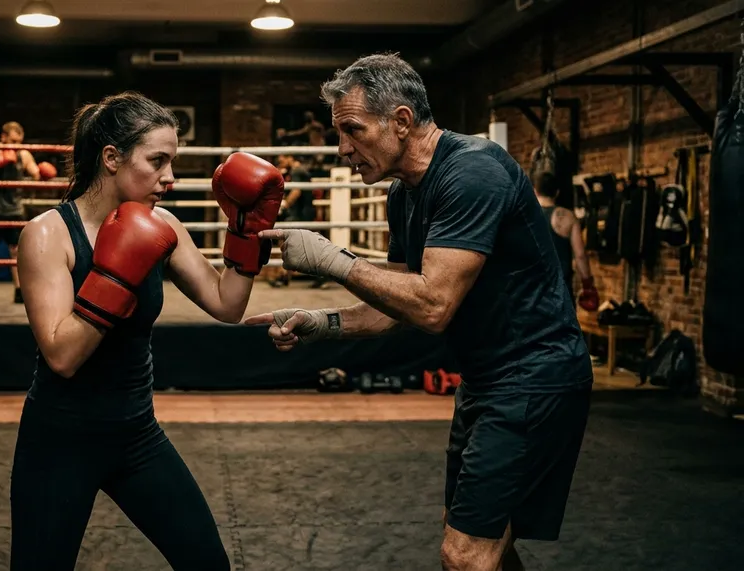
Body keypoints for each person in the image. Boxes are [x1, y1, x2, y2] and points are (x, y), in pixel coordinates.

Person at [246, 53, 594, 571]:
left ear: (402, 121)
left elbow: (432, 306)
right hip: (485, 380)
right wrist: (320, 323)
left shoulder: (473, 172)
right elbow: (396, 306)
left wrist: (332, 260)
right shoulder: (402, 195)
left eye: (353, 130)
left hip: (533, 377)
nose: (343, 149)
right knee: (485, 546)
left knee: (466, 554)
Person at [11, 91, 284, 570]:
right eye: (157, 161)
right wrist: (117, 274)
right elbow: (62, 356)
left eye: (172, 162)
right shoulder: (47, 234)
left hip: (137, 434)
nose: (170, 178)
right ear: (112, 158)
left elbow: (227, 305)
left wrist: (245, 233)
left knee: (207, 562)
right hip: (60, 440)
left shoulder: (165, 226)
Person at [0, 121, 54, 305]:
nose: (16, 146)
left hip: (14, 208)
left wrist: (41, 173)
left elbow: (34, 173)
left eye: (19, 142)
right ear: (3, 137)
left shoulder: (22, 154)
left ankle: (18, 290)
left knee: (16, 250)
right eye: (13, 141)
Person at [532, 171, 600, 311]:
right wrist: (588, 285)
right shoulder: (568, 217)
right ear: (557, 192)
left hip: (530, 295)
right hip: (559, 294)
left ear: (535, 191)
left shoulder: (521, 216)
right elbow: (580, 255)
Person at [269, 153, 325, 289]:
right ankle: (284, 276)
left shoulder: (297, 171)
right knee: (292, 244)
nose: (281, 163)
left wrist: (284, 205)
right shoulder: (301, 171)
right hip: (302, 212)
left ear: (290, 158)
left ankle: (285, 276)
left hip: (300, 213)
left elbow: (296, 191)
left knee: (292, 243)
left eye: (282, 160)